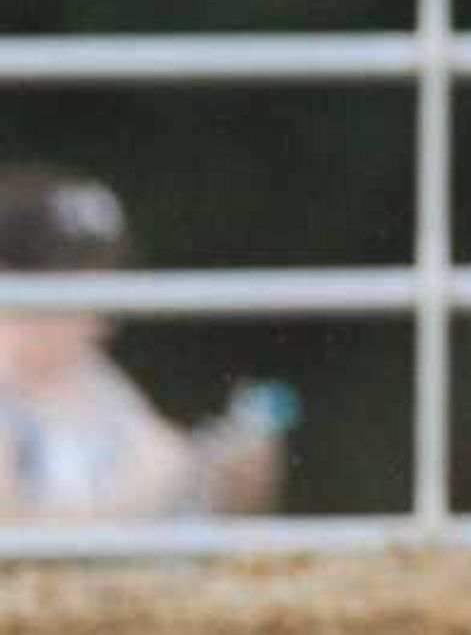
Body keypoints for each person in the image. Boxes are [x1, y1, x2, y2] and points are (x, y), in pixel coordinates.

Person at [0, 166, 289, 521]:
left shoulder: (96, 381)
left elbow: (186, 497)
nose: (98, 315)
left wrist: (233, 481)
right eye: (72, 285)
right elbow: (13, 534)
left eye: (103, 284)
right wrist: (141, 498)